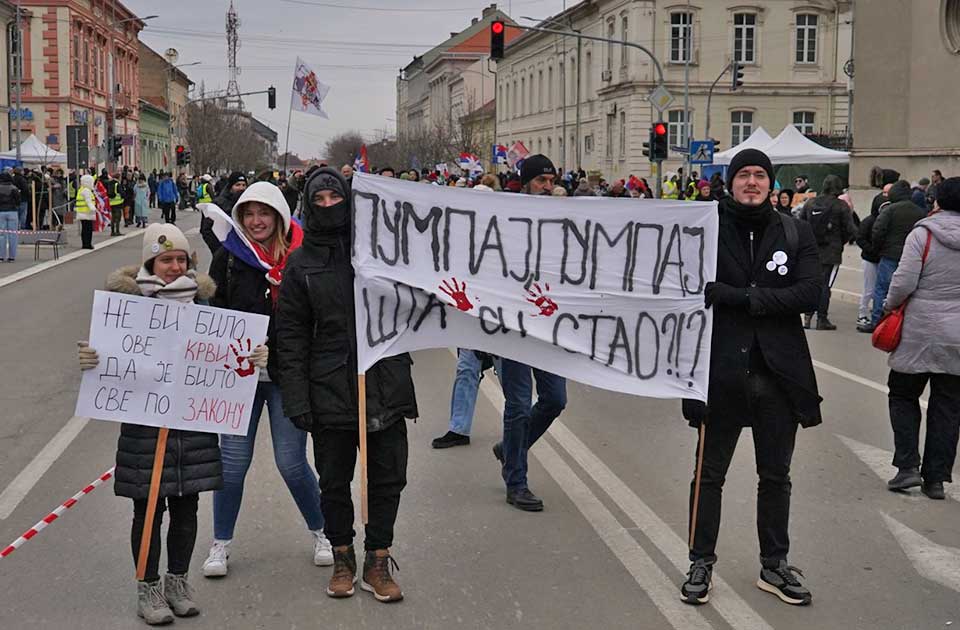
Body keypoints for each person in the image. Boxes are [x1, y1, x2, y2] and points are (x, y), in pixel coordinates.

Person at [76, 224, 252, 625]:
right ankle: (148, 588)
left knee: (187, 506)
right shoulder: (126, 304)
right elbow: (109, 355)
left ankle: (178, 582)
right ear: (150, 262)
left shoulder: (204, 306)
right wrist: (92, 360)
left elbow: (224, 355)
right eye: (166, 259)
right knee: (148, 510)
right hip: (145, 426)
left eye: (181, 260)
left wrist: (248, 361)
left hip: (192, 425)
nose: (174, 267)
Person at [680, 148, 822, 607]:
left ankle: (774, 565)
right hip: (720, 371)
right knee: (709, 475)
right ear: (731, 181)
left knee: (776, 476)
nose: (752, 182)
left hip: (779, 375)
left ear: (772, 183)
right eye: (744, 175)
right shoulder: (704, 227)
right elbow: (683, 287)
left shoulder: (795, 231)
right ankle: (700, 562)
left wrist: (740, 297)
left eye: (760, 175)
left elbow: (808, 293)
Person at [277, 167, 418, 603]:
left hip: (385, 382)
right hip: (329, 389)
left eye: (335, 198)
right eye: (318, 201)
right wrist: (297, 397)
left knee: (387, 479)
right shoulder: (301, 263)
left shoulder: (381, 251)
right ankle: (342, 556)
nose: (328, 207)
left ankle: (378, 559)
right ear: (308, 204)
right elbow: (292, 334)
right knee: (334, 482)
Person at [201, 182, 330, 578]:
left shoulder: (302, 258)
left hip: (286, 376)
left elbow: (316, 319)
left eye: (264, 213)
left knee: (291, 464)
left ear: (278, 216)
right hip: (239, 380)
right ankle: (221, 542)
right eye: (249, 214)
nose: (256, 221)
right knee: (232, 465)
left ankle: (324, 530)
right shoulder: (227, 258)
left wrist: (277, 351)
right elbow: (213, 316)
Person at [491, 155, 567, 513]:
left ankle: (509, 449)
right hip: (512, 325)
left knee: (555, 399)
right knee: (518, 405)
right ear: (525, 183)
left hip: (547, 327)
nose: (547, 187)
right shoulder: (506, 218)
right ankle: (516, 481)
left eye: (551, 181)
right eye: (541, 181)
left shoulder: (560, 222)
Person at [882, 177, 960, 500]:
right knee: (948, 406)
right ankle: (937, 479)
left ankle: (907, 467)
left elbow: (904, 281)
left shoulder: (922, 234)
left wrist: (888, 306)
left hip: (917, 330)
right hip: (957, 335)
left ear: (936, 201)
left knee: (902, 394)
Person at [859, 181, 927, 332]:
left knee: (882, 289)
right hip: (911, 257)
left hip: (889, 255)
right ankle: (902, 323)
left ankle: (878, 321)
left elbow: (878, 231)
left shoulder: (890, 210)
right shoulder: (920, 212)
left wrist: (878, 248)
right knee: (907, 290)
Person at [798, 174, 857, 330]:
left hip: (811, 251)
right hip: (832, 251)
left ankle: (807, 316)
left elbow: (801, 225)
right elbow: (851, 230)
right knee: (825, 285)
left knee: (811, 283)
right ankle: (822, 319)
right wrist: (840, 241)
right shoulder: (841, 206)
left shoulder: (810, 203)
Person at [855, 192, 885, 328]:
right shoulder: (868, 221)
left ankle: (877, 313)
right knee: (869, 289)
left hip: (882, 259)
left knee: (881, 289)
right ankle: (862, 313)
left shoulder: (886, 220)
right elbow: (860, 238)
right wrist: (871, 250)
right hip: (869, 259)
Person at [200, 172, 248, 256]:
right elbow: (206, 229)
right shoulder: (219, 203)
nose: (241, 188)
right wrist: (219, 250)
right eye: (238, 185)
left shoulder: (248, 203)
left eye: (244, 185)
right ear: (231, 187)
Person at [0, 172, 21, 262]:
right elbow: (18, 201)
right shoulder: (14, 188)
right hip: (12, 212)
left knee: (1, 235)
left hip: (1, 212)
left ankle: (1, 256)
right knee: (13, 234)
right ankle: (12, 257)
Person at [74, 174, 97, 249]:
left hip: (82, 213)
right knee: (88, 229)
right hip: (86, 213)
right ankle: (87, 244)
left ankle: (85, 243)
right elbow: (88, 201)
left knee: (84, 229)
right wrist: (93, 208)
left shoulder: (81, 189)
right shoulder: (86, 191)